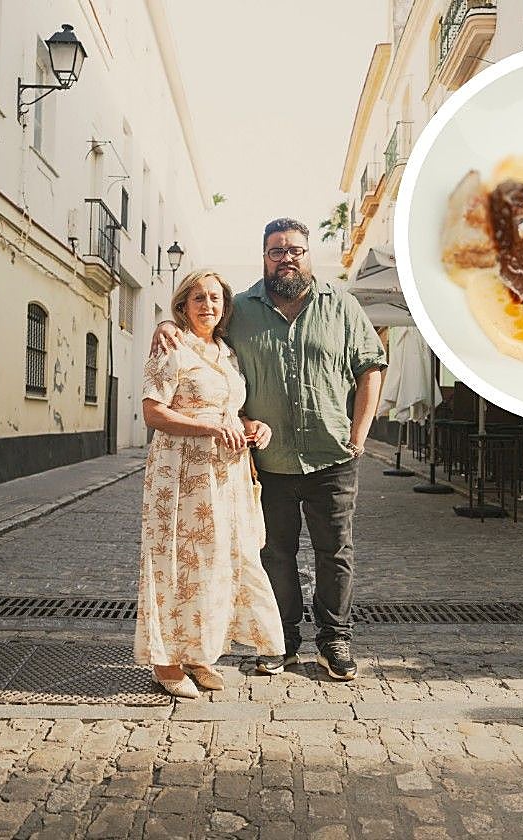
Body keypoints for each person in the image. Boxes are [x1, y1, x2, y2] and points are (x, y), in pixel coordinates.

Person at [151, 219, 386, 681]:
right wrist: (165, 323)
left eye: (295, 250)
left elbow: (371, 367)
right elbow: (201, 328)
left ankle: (334, 640)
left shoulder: (341, 305)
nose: (286, 258)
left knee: (335, 552)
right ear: (264, 257)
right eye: (276, 251)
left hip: (332, 455)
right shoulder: (240, 309)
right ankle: (282, 640)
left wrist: (359, 435)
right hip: (267, 462)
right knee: (274, 552)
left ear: (308, 255)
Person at [136, 270, 286, 699]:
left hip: (225, 475)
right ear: (183, 305)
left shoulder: (227, 353)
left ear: (225, 306)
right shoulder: (171, 346)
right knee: (175, 562)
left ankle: (198, 654)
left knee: (213, 563)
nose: (208, 305)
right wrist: (209, 429)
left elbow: (228, 412)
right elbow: (153, 412)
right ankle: (166, 663)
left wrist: (252, 426)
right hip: (180, 474)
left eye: (215, 298)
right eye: (199, 298)